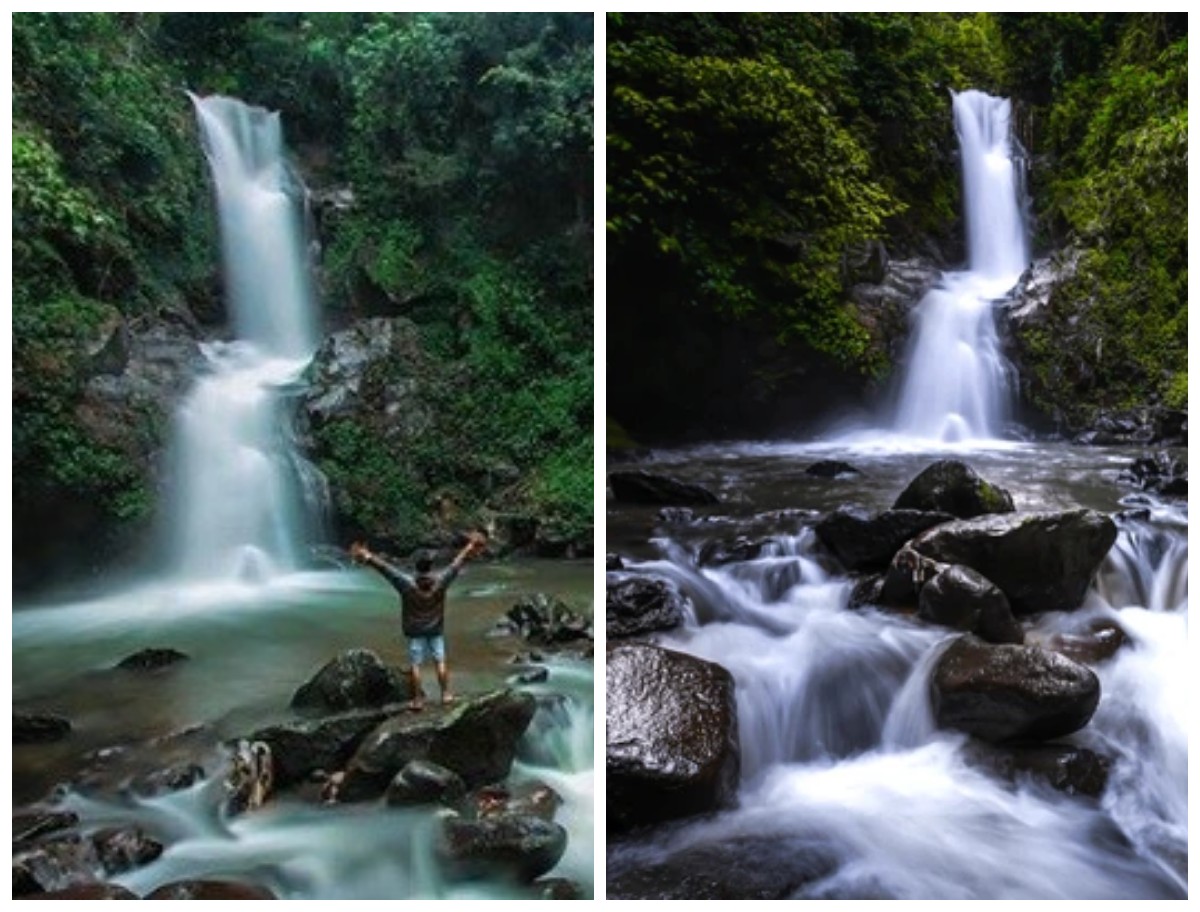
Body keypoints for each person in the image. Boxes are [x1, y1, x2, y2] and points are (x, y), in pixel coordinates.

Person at [350, 531, 487, 711]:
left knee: (416, 665)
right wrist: (469, 548)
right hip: (435, 630)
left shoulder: (406, 585)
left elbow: (386, 570)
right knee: (440, 661)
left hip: (415, 631)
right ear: (430, 568)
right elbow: (456, 565)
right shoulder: (441, 582)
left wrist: (367, 557)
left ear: (416, 568)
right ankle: (445, 694)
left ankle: (417, 700)